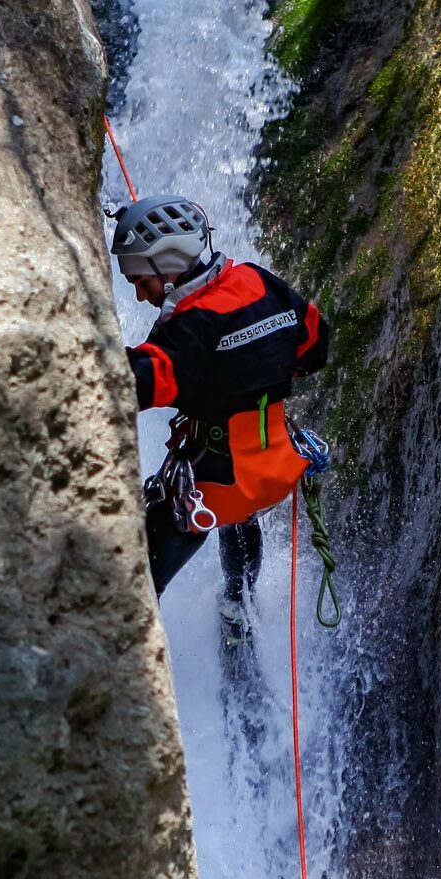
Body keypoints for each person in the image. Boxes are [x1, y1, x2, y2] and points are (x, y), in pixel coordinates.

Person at [109, 195, 329, 643]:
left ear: (169, 265)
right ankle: (237, 606)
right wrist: (257, 370)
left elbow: (137, 384)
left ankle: (124, 639)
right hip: (273, 468)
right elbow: (314, 345)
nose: (139, 295)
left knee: (136, 584)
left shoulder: (191, 326)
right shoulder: (256, 279)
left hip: (212, 485)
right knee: (240, 516)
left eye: (141, 281)